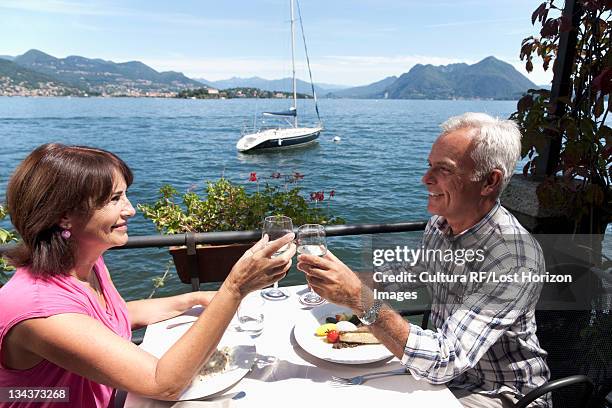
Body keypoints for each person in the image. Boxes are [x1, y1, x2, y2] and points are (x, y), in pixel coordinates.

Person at [0, 143, 296, 408]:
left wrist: (192, 299)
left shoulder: (84, 264)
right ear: (63, 215)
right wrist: (234, 288)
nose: (130, 210)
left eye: (125, 195)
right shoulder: (40, 311)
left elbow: (108, 319)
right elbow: (162, 383)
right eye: (114, 199)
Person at [297, 113, 550, 408]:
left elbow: (447, 358)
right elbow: (408, 273)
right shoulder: (440, 225)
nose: (425, 179)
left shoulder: (514, 258)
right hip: (447, 377)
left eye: (444, 170)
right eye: (430, 166)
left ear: (489, 181)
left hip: (501, 393)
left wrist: (359, 298)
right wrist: (342, 278)